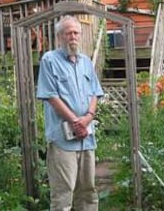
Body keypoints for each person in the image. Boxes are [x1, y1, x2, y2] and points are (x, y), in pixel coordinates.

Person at [37, 15, 104, 210]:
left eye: (76, 33)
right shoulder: (49, 60)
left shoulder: (85, 62)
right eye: (68, 33)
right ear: (60, 37)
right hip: (63, 140)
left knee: (88, 192)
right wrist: (77, 121)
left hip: (86, 138)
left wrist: (88, 118)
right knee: (63, 193)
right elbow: (51, 96)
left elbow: (95, 92)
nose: (73, 37)